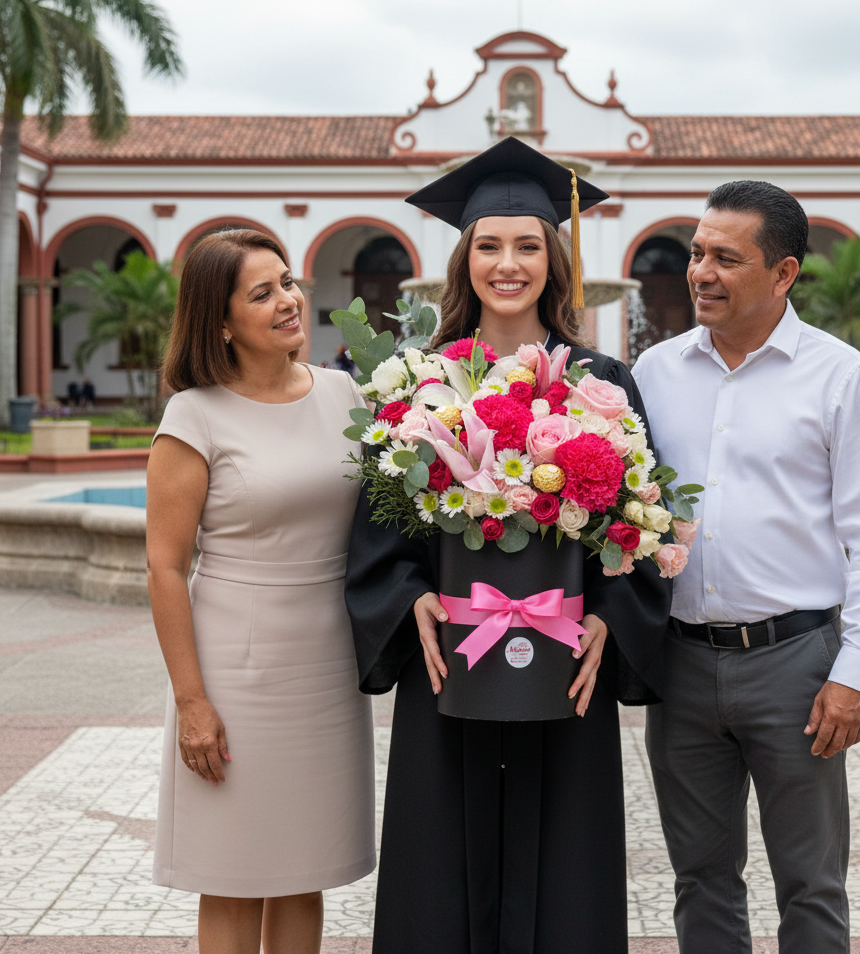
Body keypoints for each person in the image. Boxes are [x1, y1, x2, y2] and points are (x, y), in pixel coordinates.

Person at [344, 137, 673, 954]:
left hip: (564, 663)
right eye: (489, 245)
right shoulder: (418, 379)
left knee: (567, 852)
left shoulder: (601, 381)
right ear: (465, 259)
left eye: (528, 245)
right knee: (439, 855)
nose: (508, 263)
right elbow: (381, 525)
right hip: (449, 658)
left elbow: (635, 524)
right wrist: (406, 597)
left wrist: (610, 617)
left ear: (554, 261)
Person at [632, 181, 860, 954]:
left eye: (726, 257)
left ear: (784, 273)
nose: (701, 272)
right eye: (696, 253)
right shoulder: (653, 374)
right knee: (700, 880)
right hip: (681, 665)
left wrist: (855, 672)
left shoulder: (842, 377)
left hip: (799, 668)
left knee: (812, 885)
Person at [146, 229, 375, 954]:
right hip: (237, 670)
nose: (288, 301)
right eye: (263, 292)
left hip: (328, 664)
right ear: (220, 320)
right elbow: (163, 567)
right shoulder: (195, 415)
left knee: (303, 870)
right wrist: (192, 702)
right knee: (236, 872)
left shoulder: (344, 393)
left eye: (288, 282)